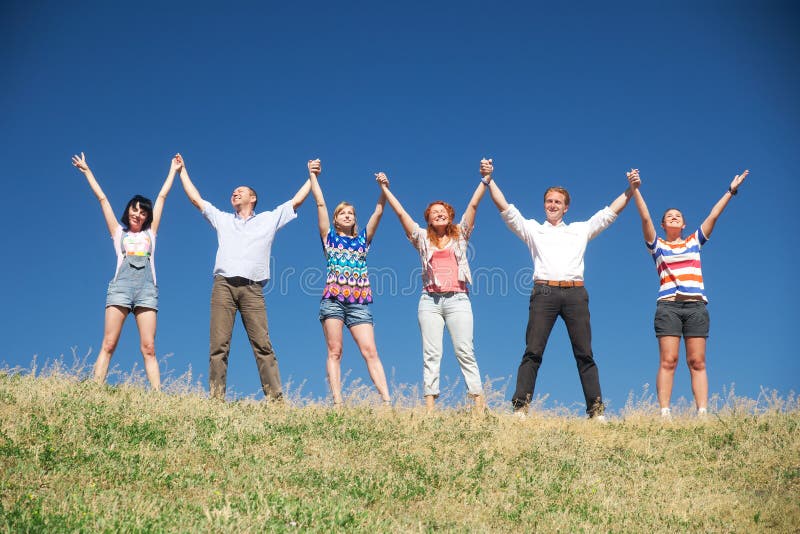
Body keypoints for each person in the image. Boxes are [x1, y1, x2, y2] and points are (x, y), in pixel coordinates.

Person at [483, 158, 640, 419]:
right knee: (533, 350)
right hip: (544, 293)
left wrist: (631, 189)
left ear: (566, 207)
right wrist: (489, 180)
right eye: (549, 201)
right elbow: (507, 210)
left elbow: (609, 214)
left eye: (557, 201)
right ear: (544, 205)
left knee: (584, 353)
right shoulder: (533, 230)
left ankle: (596, 411)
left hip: (575, 294)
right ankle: (520, 408)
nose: (552, 205)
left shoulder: (580, 230)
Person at [178, 156, 312, 400]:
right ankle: (216, 400)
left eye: (241, 191)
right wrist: (182, 171)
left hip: (252, 289)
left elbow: (298, 201)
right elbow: (197, 200)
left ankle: (275, 400)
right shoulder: (223, 219)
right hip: (224, 286)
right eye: (233, 192)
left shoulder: (268, 219)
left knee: (263, 345)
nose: (235, 193)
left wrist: (312, 176)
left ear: (253, 198)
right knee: (219, 346)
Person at [630, 168, 749, 418]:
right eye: (668, 217)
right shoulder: (657, 246)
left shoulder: (694, 241)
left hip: (696, 307)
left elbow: (713, 215)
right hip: (668, 307)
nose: (673, 218)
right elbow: (645, 219)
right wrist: (635, 189)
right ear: (663, 224)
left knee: (697, 362)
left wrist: (730, 191)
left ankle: (702, 413)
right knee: (668, 360)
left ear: (684, 224)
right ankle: (665, 413)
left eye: (678, 216)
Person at [377, 163, 489, 413]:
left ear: (450, 215)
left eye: (443, 211)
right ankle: (430, 408)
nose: (439, 213)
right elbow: (401, 215)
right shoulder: (421, 238)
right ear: (427, 218)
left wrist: (485, 181)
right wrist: (385, 190)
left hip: (458, 300)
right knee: (431, 353)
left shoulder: (460, 235)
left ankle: (479, 405)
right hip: (429, 302)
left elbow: (472, 207)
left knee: (465, 350)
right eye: (434, 212)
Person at [72, 151, 178, 390]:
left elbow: (162, 197)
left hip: (146, 291)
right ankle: (95, 390)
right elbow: (103, 200)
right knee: (109, 343)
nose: (137, 214)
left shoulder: (151, 234)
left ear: (147, 217)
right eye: (134, 209)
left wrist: (173, 170)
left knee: (148, 347)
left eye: (143, 212)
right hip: (120, 289)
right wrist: (88, 172)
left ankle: (158, 397)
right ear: (128, 210)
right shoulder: (118, 233)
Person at [306, 160, 392, 406]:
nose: (347, 215)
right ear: (335, 219)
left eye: (351, 213)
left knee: (370, 351)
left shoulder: (362, 241)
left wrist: (383, 188)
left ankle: (387, 402)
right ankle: (338, 402)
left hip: (360, 303)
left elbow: (378, 212)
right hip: (333, 301)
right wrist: (313, 176)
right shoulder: (329, 238)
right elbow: (320, 203)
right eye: (343, 212)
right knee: (335, 351)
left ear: (355, 219)